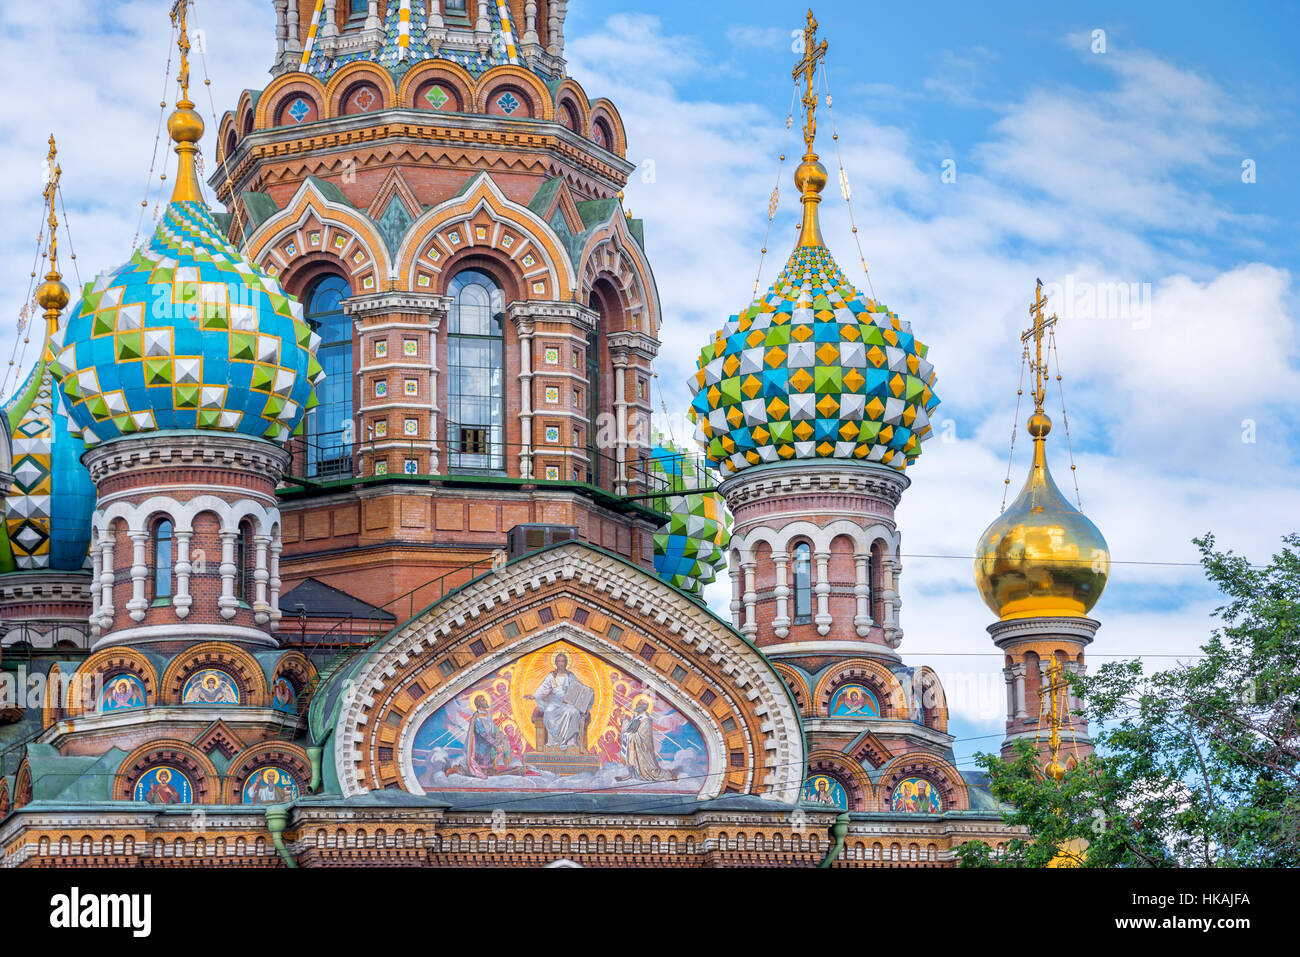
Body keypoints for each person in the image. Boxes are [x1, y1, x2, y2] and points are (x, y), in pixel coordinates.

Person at [525, 653, 593, 752]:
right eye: (559, 661)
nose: (561, 663)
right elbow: (543, 689)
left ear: (566, 663)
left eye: (563, 661)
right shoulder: (551, 676)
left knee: (573, 712)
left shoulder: (570, 676)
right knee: (548, 712)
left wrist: (586, 693)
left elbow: (578, 688)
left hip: (568, 702)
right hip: (554, 702)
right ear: (556, 663)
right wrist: (534, 696)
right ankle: (553, 743)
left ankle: (571, 742)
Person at [617, 699, 676, 783]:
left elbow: (642, 736)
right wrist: (624, 720)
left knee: (651, 771)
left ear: (643, 708)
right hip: (634, 744)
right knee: (632, 759)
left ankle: (667, 775)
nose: (636, 706)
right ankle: (633, 774)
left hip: (643, 750)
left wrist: (629, 736)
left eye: (639, 705)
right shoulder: (636, 717)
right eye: (637, 704)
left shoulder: (646, 720)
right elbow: (629, 729)